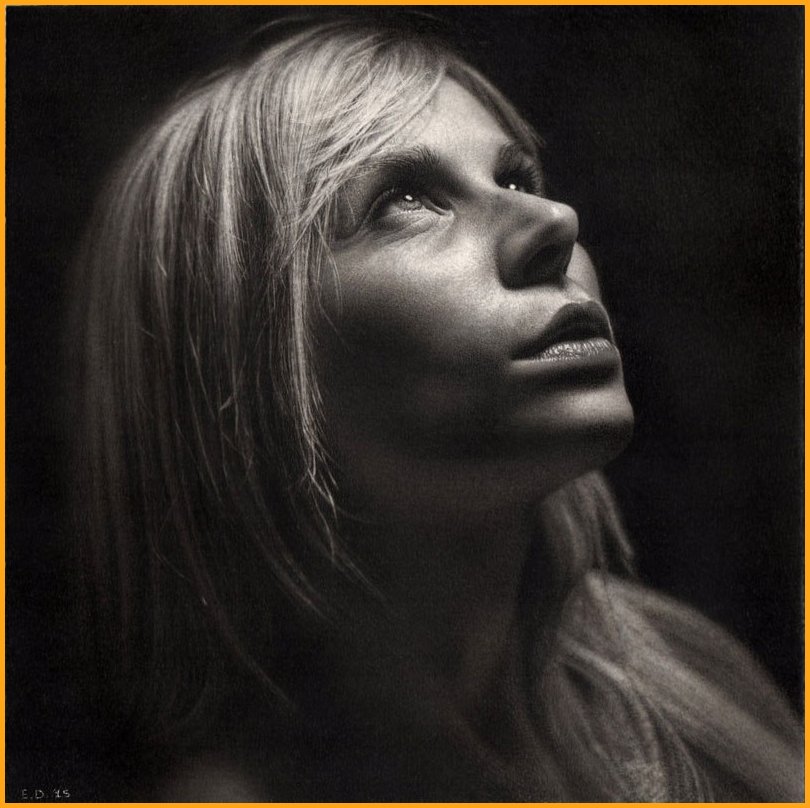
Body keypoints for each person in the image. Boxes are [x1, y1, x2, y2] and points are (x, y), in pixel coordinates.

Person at [69, 16, 802, 802]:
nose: (554, 223)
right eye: (406, 199)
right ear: (236, 365)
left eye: (517, 179)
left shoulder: (689, 688)